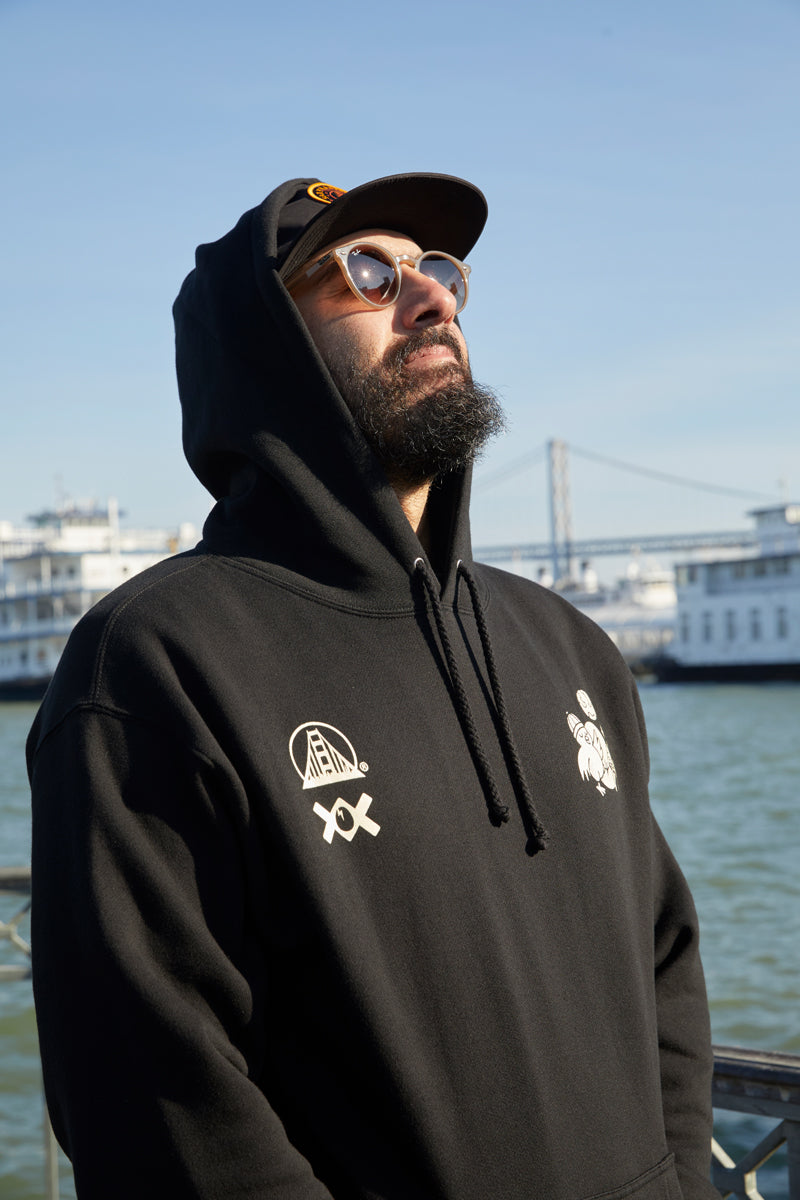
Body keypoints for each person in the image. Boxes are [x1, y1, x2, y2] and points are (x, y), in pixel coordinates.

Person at [28, 173, 719, 1200]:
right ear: (263, 344)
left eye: (437, 270)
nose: (433, 297)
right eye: (367, 273)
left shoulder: (570, 647)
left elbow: (663, 962)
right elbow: (157, 1101)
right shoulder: (153, 664)